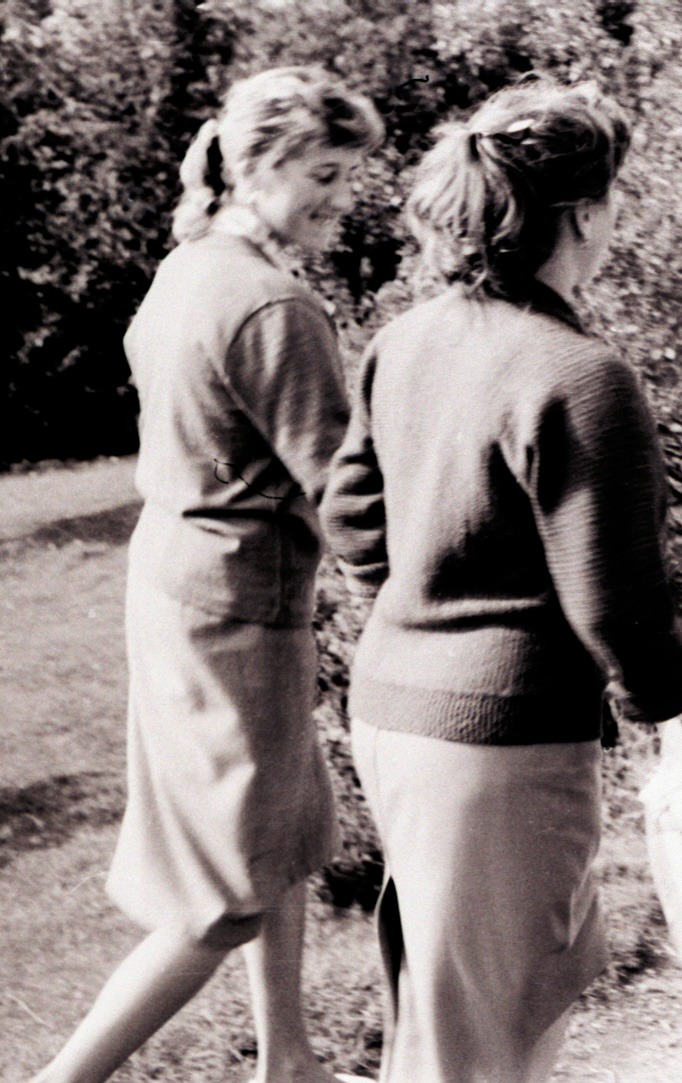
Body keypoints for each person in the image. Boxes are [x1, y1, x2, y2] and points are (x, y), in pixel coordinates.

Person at [320, 77, 682, 1082]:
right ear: (586, 212)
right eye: (616, 193)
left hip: (392, 719)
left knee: (445, 1022)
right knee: (486, 1051)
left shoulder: (406, 340)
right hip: (496, 753)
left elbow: (351, 514)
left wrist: (426, 619)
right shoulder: (580, 375)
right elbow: (618, 610)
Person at [31, 68, 383, 1083]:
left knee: (281, 833)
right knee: (223, 894)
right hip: (235, 613)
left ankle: (289, 1060)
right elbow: (344, 497)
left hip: (181, 585)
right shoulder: (272, 305)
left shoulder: (191, 267)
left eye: (348, 176)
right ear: (260, 166)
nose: (341, 198)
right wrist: (410, 598)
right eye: (324, 174)